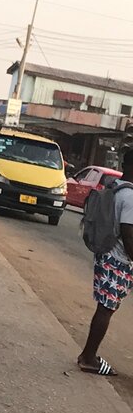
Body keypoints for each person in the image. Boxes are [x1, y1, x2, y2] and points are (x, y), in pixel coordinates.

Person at [78, 149, 133, 377]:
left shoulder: (117, 187)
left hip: (107, 254)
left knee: (106, 307)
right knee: (106, 309)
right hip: (118, 259)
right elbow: (129, 236)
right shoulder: (130, 197)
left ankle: (88, 355)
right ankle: (88, 358)